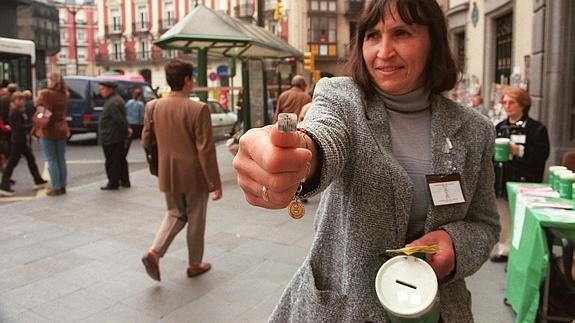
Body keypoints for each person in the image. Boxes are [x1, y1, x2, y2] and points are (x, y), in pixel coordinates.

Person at [233, 0, 500, 321]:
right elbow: (324, 134)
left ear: (434, 42)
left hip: (436, 310)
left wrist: (455, 246)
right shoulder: (341, 98)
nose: (384, 51)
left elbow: (484, 224)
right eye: (373, 35)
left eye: (401, 33)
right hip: (345, 308)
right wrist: (300, 157)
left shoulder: (475, 130)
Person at [141, 59, 222, 282]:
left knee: (175, 213)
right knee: (196, 218)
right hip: (194, 174)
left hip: (167, 171)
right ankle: (194, 264)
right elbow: (205, 150)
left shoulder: (153, 107)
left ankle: (154, 253)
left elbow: (146, 141)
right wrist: (214, 182)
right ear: (187, 80)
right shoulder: (198, 109)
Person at [491, 86, 550, 262]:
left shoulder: (536, 128)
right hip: (502, 180)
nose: (507, 106)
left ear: (523, 105)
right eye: (505, 102)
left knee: (523, 219)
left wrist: (519, 151)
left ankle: (524, 254)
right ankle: (505, 249)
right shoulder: (499, 127)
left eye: (512, 102)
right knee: (504, 217)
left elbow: (541, 156)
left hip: (525, 182)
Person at [0, 92, 47, 196]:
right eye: (19, 99)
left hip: (20, 140)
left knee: (29, 159)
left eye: (22, 99)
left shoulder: (18, 111)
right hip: (17, 141)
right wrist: (32, 125)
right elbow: (19, 127)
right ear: (13, 101)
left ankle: (38, 180)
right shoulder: (14, 112)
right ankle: (4, 185)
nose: (21, 101)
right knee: (13, 162)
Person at [34, 72, 71, 196]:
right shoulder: (65, 94)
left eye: (49, 79)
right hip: (61, 127)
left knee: (51, 159)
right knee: (61, 158)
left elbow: (37, 105)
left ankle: (55, 187)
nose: (47, 81)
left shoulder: (45, 93)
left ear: (53, 81)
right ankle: (62, 186)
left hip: (48, 128)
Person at [98, 81, 131, 190]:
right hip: (114, 135)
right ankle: (124, 180)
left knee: (112, 161)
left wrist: (125, 130)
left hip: (111, 136)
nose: (100, 90)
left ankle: (113, 182)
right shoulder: (115, 100)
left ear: (110, 89)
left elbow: (119, 120)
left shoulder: (112, 102)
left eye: (102, 88)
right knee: (120, 160)